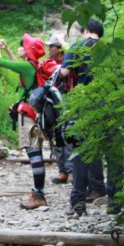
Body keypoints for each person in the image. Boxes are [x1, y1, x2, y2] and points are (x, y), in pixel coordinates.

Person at [60, 18, 124, 216]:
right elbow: (122, 78)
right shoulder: (112, 49)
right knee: (113, 154)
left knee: (82, 152)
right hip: (111, 105)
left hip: (87, 105)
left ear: (86, 31)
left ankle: (78, 202)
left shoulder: (78, 46)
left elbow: (63, 72)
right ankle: (115, 203)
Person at [0, 34, 57, 209]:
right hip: (37, 116)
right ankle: (39, 192)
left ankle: (38, 194)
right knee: (36, 153)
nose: (20, 47)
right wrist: (7, 50)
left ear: (28, 51)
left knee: (34, 155)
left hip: (28, 118)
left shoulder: (27, 67)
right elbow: (17, 66)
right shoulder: (34, 66)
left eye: (23, 45)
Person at [44, 34, 74, 185]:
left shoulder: (68, 61)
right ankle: (62, 170)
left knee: (67, 134)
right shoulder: (47, 63)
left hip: (67, 102)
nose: (49, 49)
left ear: (59, 49)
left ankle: (70, 171)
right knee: (56, 136)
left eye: (51, 46)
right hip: (52, 104)